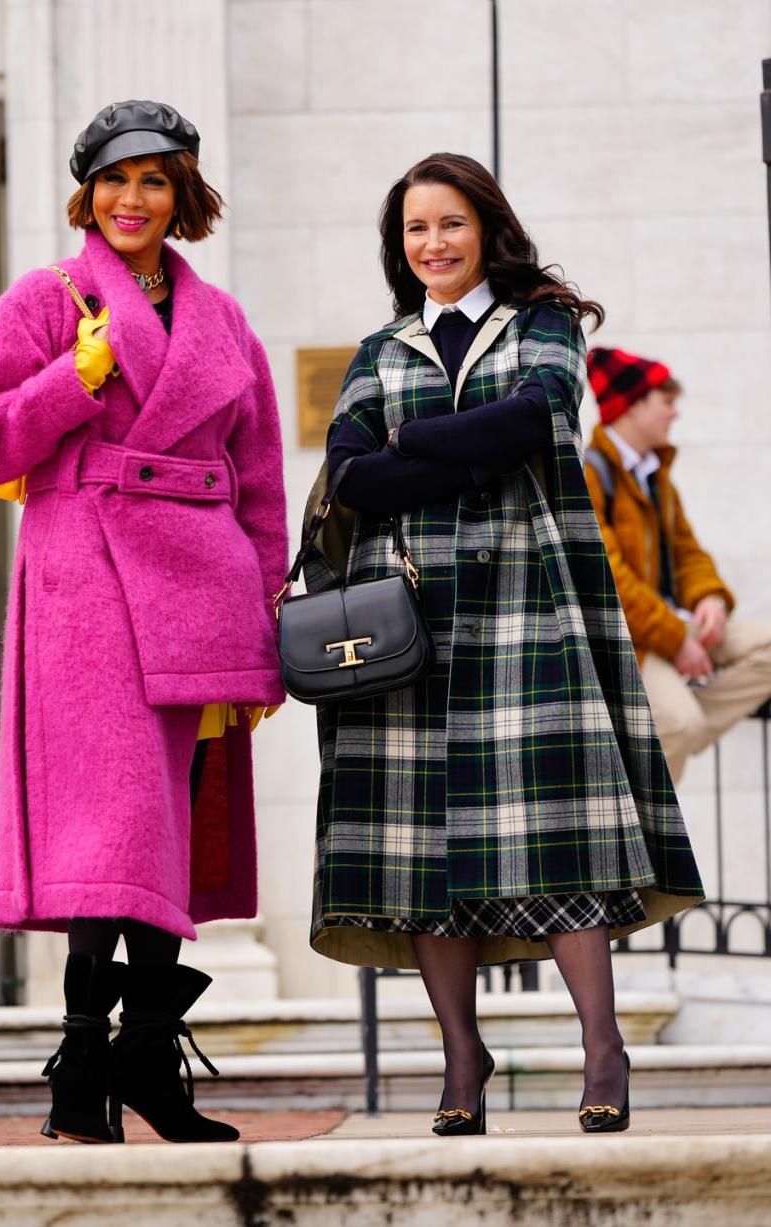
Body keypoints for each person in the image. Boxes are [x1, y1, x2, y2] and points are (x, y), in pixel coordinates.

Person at [305, 153, 703, 1136]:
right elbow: (349, 482)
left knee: (558, 836)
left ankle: (601, 1050)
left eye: (449, 224)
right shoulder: (381, 349)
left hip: (529, 611)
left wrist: (405, 448)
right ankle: (459, 1061)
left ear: (484, 227)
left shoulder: (545, 325)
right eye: (414, 230)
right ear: (398, 247)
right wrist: (447, 448)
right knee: (428, 854)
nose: (432, 244)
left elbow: (538, 417)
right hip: (408, 625)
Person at [0, 100, 287, 1145]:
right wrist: (79, 377)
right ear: (87, 192)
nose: (133, 199)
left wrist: (267, 611)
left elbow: (262, 481)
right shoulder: (44, 301)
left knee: (176, 831)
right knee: (116, 831)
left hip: (206, 597)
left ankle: (145, 1059)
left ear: (182, 193)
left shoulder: (226, 321)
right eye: (115, 180)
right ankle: (79, 1065)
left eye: (154, 180)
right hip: (90, 594)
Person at [585, 348, 771, 784]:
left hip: (674, 623)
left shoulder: (656, 475)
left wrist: (709, 599)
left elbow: (687, 552)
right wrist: (675, 641)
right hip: (636, 640)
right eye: (666, 402)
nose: (675, 414)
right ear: (631, 406)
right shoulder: (591, 475)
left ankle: (653, 744)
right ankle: (650, 836)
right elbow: (609, 578)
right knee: (679, 723)